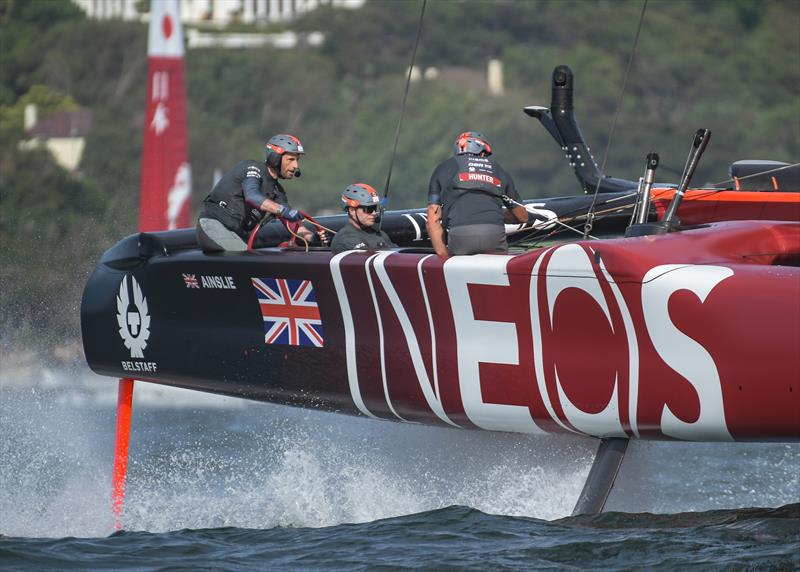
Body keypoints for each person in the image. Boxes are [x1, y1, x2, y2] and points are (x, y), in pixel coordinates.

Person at [197, 133, 316, 252]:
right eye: (291, 159)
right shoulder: (252, 168)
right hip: (215, 225)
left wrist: (312, 237)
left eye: (297, 160)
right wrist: (283, 211)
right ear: (275, 157)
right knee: (249, 262)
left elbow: (292, 223)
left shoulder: (277, 192)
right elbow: (252, 196)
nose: (296, 166)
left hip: (235, 234)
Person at [426, 131, 529, 257]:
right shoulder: (497, 169)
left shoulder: (443, 168)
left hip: (460, 235)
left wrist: (443, 255)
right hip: (493, 234)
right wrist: (494, 213)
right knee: (495, 274)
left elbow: (433, 219)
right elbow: (522, 217)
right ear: (482, 151)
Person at [330, 183, 397, 254]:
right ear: (352, 210)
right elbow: (367, 258)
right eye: (369, 209)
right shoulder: (345, 239)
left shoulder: (380, 234)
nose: (374, 213)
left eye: (375, 208)